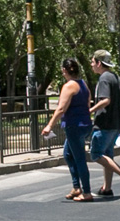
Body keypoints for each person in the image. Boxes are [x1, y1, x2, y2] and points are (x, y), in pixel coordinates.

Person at [41, 58, 95, 202]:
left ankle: (87, 192)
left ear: (64, 70)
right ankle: (76, 187)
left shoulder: (69, 86)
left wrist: (49, 125)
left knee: (79, 159)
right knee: (68, 154)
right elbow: (88, 101)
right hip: (85, 124)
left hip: (74, 126)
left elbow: (61, 108)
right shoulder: (83, 84)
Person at [89, 50, 120, 197]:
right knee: (107, 155)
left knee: (96, 154)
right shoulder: (113, 77)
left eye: (92, 62)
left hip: (105, 123)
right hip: (115, 123)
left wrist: (90, 110)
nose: (91, 65)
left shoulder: (104, 78)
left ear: (99, 63)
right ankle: (107, 188)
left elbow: (105, 100)